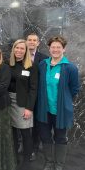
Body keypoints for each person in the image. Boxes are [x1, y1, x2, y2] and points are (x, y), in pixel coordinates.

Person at [36, 36, 79, 170]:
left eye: (58, 47)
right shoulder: (43, 65)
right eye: (53, 47)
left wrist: (64, 100)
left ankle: (59, 164)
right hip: (44, 109)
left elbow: (74, 88)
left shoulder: (70, 67)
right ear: (49, 49)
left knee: (60, 137)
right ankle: (49, 162)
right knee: (45, 136)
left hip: (60, 110)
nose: (55, 49)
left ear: (63, 49)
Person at [8, 39, 38, 170]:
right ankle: (14, 157)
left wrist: (29, 108)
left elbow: (33, 89)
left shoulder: (31, 66)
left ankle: (27, 160)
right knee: (12, 132)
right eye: (17, 48)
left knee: (25, 133)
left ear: (26, 51)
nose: (19, 50)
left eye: (22, 48)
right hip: (8, 102)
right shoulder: (7, 64)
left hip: (23, 103)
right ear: (13, 49)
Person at [26, 33, 48, 157]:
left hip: (38, 97)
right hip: (23, 96)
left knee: (36, 123)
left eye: (35, 40)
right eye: (30, 40)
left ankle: (34, 146)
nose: (32, 42)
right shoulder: (20, 56)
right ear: (26, 41)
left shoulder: (44, 59)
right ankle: (20, 144)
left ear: (38, 43)